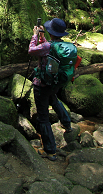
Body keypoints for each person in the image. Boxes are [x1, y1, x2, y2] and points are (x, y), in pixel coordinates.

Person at [28, 17, 73, 162]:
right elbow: (47, 49)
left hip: (42, 84)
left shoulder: (48, 46)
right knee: (54, 99)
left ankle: (50, 150)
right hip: (54, 83)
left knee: (43, 117)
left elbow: (32, 51)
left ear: (51, 32)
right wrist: (42, 37)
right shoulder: (61, 46)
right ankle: (67, 124)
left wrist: (35, 36)